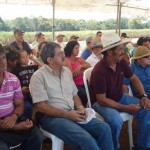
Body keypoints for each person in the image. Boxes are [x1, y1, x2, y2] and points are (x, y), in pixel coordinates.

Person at [30, 42, 114, 150]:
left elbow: (75, 95)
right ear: (50, 59)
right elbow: (40, 106)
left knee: (104, 128)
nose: (64, 55)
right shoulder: (38, 76)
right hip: (51, 118)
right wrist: (67, 115)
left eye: (62, 52)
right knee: (86, 139)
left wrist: (80, 108)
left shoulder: (66, 72)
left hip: (72, 111)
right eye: (59, 54)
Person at [90, 33, 150, 150]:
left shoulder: (121, 62)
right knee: (116, 121)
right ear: (110, 52)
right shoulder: (99, 70)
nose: (124, 51)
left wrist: (143, 96)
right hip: (101, 103)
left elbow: (134, 78)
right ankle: (113, 147)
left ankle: (143, 145)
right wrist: (126, 107)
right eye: (120, 49)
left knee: (146, 110)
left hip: (119, 97)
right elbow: (102, 100)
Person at [0, 44, 43, 150]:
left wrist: (14, 117)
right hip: (5, 123)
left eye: (3, 57)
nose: (3, 62)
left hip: (12, 118)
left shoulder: (13, 79)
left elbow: (19, 104)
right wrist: (14, 126)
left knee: (37, 135)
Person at [12, 50, 43, 118]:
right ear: (18, 60)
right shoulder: (16, 70)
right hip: (24, 92)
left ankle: (37, 118)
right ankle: (31, 119)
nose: (26, 58)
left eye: (27, 56)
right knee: (29, 106)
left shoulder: (32, 67)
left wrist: (33, 59)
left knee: (39, 104)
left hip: (34, 91)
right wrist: (20, 90)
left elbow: (42, 67)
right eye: (23, 57)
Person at [64, 41, 91, 106]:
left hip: (83, 82)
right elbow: (72, 74)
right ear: (70, 49)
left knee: (94, 91)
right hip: (75, 84)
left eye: (78, 48)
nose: (78, 50)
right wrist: (82, 70)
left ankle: (90, 107)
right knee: (85, 94)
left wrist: (80, 66)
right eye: (76, 48)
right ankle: (84, 108)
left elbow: (89, 65)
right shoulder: (67, 60)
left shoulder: (79, 59)